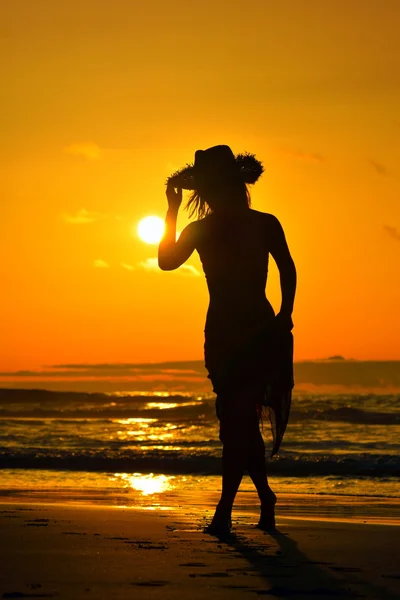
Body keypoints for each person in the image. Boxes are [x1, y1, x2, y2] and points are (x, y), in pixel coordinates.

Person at [158, 145, 296, 535]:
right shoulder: (204, 228)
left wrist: (286, 315)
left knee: (237, 419)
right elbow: (166, 262)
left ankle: (224, 512)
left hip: (257, 330)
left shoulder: (264, 223)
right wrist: (171, 210)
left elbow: (288, 268)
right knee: (236, 423)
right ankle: (265, 497)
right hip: (223, 332)